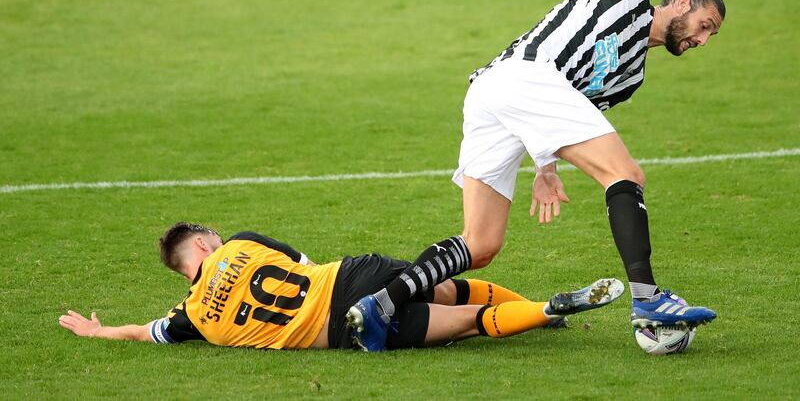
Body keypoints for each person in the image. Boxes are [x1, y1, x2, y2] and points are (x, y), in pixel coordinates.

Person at [348, 0, 724, 351]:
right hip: (516, 75)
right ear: (680, 3)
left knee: (482, 243)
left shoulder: (630, 77)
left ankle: (379, 306)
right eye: (704, 25)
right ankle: (648, 299)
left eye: (711, 35)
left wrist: (545, 167)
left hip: (500, 97)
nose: (703, 39)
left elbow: (559, 114)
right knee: (625, 174)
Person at [58, 222, 623, 351]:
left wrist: (100, 330)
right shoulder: (242, 243)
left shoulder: (193, 319)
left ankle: (547, 310)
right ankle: (540, 304)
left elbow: (145, 332)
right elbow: (306, 262)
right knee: (455, 289)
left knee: (468, 324)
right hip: (351, 278)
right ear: (205, 244)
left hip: (337, 330)